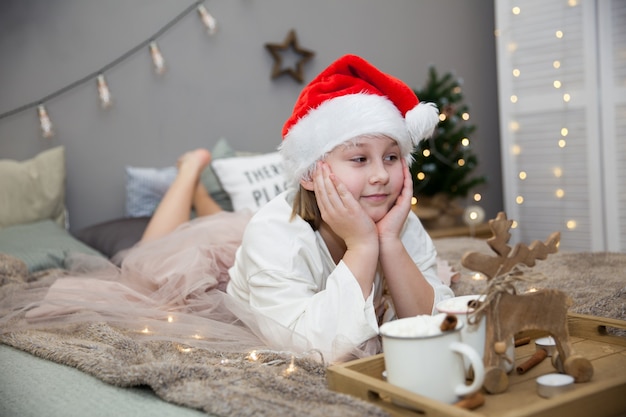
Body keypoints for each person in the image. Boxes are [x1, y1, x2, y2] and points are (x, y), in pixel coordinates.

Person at [0, 54, 453, 363]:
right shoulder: (276, 233)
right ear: (312, 173)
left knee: (214, 224)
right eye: (359, 159)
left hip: (249, 237)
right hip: (232, 264)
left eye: (391, 158)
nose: (380, 175)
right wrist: (359, 245)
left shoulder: (399, 221)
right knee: (146, 263)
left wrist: (388, 241)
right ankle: (190, 170)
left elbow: (437, 324)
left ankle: (201, 192)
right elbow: (320, 348)